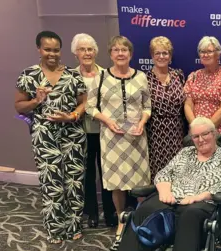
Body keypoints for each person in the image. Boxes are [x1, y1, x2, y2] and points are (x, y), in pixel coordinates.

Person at [111, 117, 221, 251]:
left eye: (205, 134)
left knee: (189, 216)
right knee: (144, 210)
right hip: (171, 197)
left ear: (214, 133)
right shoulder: (185, 153)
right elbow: (164, 173)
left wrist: (199, 196)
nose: (201, 139)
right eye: (196, 136)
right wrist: (164, 190)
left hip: (201, 203)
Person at [14, 31, 87, 244]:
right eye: (47, 49)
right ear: (39, 49)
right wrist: (36, 101)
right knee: (52, 182)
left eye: (56, 50)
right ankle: (55, 228)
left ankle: (74, 225)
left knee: (74, 181)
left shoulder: (73, 75)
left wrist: (72, 115)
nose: (52, 54)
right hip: (44, 134)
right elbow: (19, 105)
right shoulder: (29, 75)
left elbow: (84, 102)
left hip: (72, 133)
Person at [86, 36, 151, 238]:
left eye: (124, 50)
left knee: (140, 181)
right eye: (116, 50)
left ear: (130, 54)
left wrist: (141, 123)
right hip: (112, 137)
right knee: (116, 182)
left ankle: (140, 219)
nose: (120, 53)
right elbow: (90, 107)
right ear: (110, 54)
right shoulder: (101, 77)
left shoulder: (141, 77)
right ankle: (121, 219)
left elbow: (147, 106)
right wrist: (106, 120)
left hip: (136, 137)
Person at [71, 33, 116, 228]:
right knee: (88, 174)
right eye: (82, 49)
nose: (87, 53)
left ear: (96, 52)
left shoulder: (106, 74)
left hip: (105, 131)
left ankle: (109, 210)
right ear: (75, 53)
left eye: (90, 49)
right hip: (81, 131)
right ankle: (91, 212)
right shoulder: (71, 76)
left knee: (106, 172)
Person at [146, 36, 186, 181]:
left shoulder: (178, 75)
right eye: (158, 53)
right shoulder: (145, 79)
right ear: (152, 55)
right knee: (158, 173)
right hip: (155, 133)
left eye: (165, 53)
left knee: (178, 171)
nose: (161, 56)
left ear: (170, 56)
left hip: (177, 132)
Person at [184, 36, 221, 137]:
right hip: (196, 134)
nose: (205, 55)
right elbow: (188, 105)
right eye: (202, 51)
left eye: (209, 51)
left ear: (218, 54)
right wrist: (196, 129)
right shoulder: (193, 76)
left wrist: (206, 131)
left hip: (219, 132)